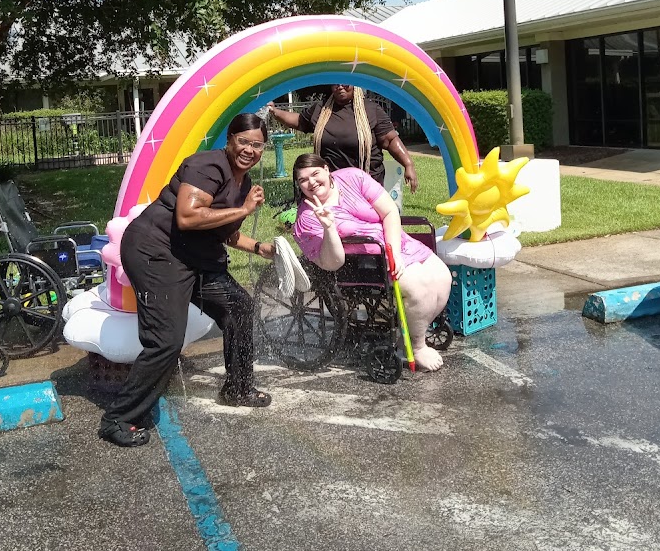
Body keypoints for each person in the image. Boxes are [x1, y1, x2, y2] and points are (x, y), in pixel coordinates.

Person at [99, 114, 275, 448]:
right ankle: (118, 418)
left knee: (239, 306)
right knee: (166, 340)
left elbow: (223, 228)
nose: (249, 150)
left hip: (193, 257)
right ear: (230, 139)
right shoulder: (206, 166)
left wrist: (257, 247)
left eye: (257, 144)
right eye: (243, 141)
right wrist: (245, 210)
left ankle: (238, 388)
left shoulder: (242, 181)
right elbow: (189, 216)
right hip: (156, 253)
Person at [291, 153, 451, 372]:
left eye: (315, 173)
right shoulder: (307, 219)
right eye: (303, 180)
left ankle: (411, 329)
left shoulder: (353, 177)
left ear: (327, 170)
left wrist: (393, 252)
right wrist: (328, 227)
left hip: (396, 243)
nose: (311, 182)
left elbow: (389, 212)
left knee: (443, 278)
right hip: (366, 263)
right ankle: (416, 345)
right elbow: (332, 263)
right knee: (420, 290)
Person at [267, 85, 418, 192]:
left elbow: (390, 140)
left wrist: (408, 164)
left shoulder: (371, 109)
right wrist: (275, 112)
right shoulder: (321, 109)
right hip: (331, 186)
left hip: (367, 185)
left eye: (345, 82)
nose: (340, 86)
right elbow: (299, 121)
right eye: (335, 83)